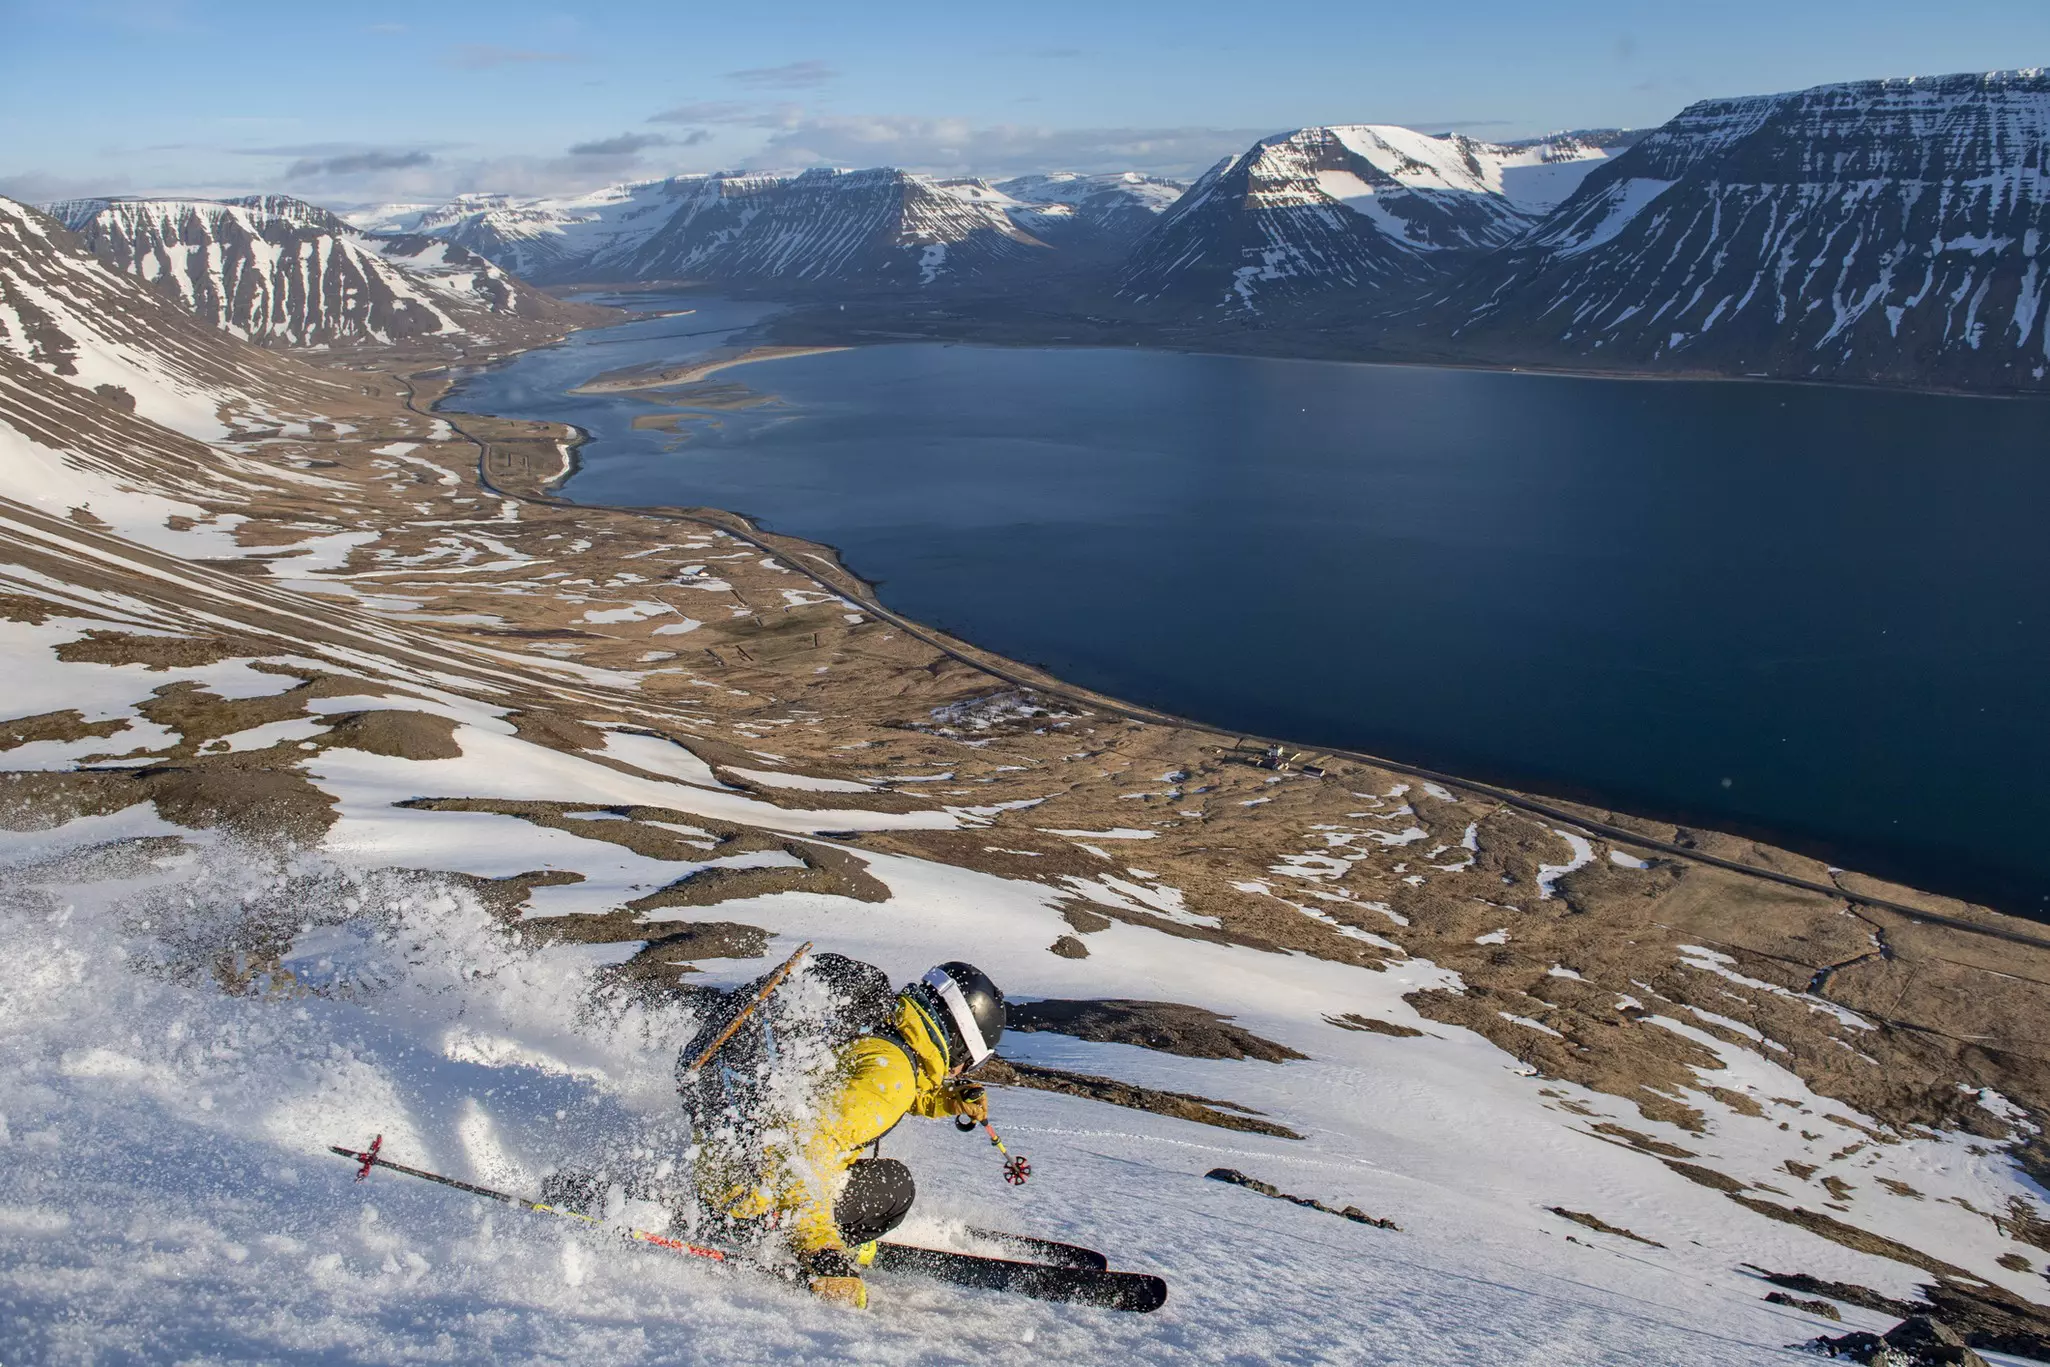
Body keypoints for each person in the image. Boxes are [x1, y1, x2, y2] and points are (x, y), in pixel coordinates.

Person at [678, 957, 1006, 1310]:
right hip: (750, 1208)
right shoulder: (892, 1076)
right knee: (894, 1186)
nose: (958, 1072)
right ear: (958, 1040)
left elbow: (865, 1087)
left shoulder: (879, 1029)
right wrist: (821, 1250)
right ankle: (805, 1235)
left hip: (727, 1173)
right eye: (968, 1061)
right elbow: (802, 1144)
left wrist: (945, 1100)